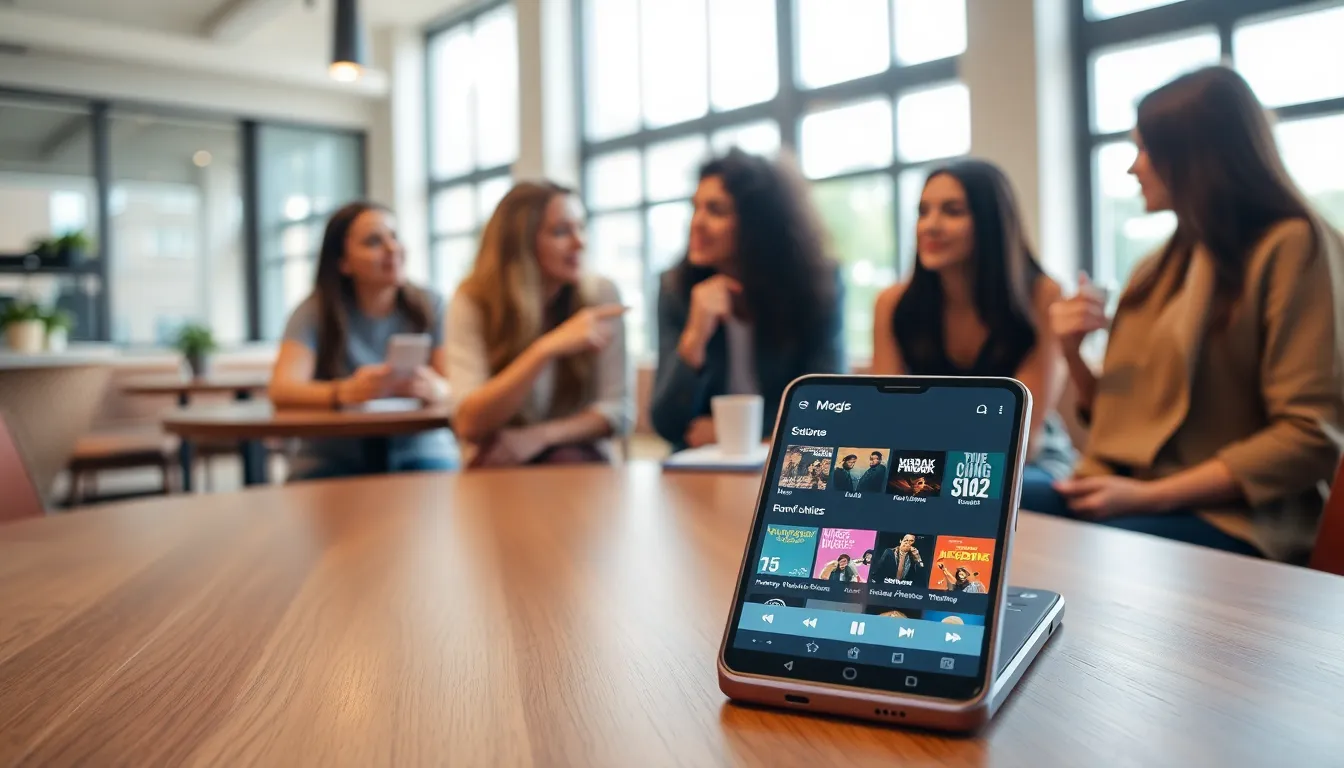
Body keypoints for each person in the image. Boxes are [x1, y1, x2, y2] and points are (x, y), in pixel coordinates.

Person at [1044, 66, 1344, 562]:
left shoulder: (1293, 246)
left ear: (1193, 157)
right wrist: (1072, 352)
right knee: (989, 515)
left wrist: (1147, 497)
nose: (1133, 168)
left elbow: (1310, 437)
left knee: (1046, 544)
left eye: (1144, 150)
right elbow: (1126, 417)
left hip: (1239, 518)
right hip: (1127, 491)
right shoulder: (1158, 265)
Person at [871, 159, 1073, 482]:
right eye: (923, 212)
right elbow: (889, 417)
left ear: (990, 222)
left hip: (1028, 461)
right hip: (924, 461)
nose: (930, 226)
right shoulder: (891, 303)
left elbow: (1025, 434)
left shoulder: (1042, 295)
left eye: (952, 211)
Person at [651, 149, 846, 450]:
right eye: (696, 208)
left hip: (785, 457)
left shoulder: (816, 284)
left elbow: (828, 404)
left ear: (758, 223)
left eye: (715, 210)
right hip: (701, 466)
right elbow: (668, 425)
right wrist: (694, 338)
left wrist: (735, 431)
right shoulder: (675, 289)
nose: (696, 223)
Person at [447, 181, 632, 467]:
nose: (579, 242)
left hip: (576, 459)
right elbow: (469, 424)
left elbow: (618, 411)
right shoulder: (473, 301)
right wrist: (544, 350)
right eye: (561, 232)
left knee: (564, 459)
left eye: (581, 227)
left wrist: (540, 436)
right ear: (519, 245)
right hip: (500, 463)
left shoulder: (600, 295)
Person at [269, 201, 456, 479]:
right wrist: (344, 392)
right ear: (343, 262)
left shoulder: (431, 305)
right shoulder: (314, 311)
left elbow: (456, 384)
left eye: (394, 237)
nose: (392, 248)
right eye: (373, 241)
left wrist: (438, 389)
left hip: (419, 452)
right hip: (332, 457)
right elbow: (282, 389)